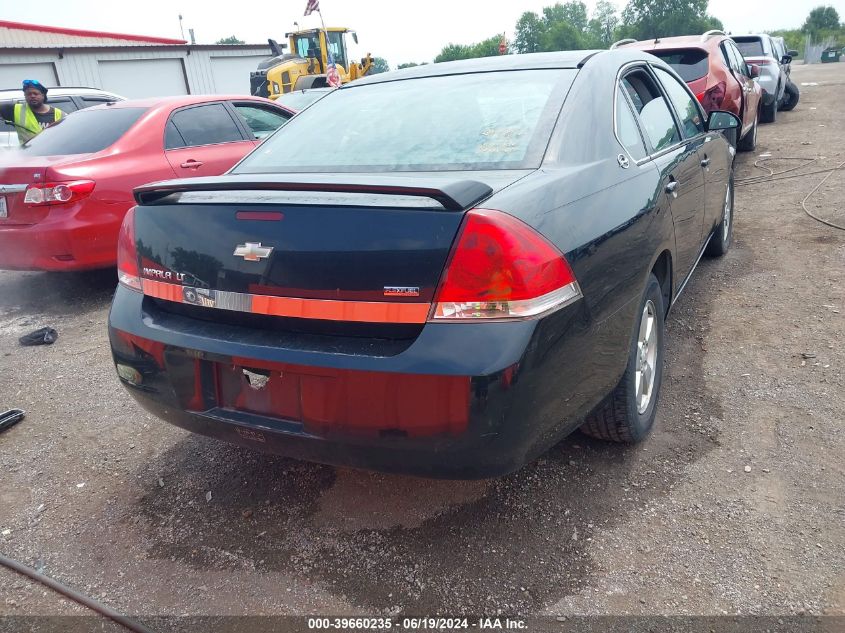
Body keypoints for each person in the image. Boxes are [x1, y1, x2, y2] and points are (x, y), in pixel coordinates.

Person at [0, 79, 65, 145]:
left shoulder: (60, 114)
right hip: (29, 153)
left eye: (35, 94)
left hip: (54, 154)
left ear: (43, 96)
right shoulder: (15, 109)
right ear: (25, 96)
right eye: (28, 94)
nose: (32, 96)